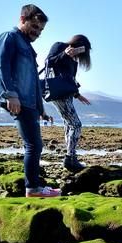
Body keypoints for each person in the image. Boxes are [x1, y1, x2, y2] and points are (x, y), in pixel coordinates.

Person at [0, 4, 60, 198]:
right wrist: (11, 95)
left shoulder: (28, 47)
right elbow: (1, 66)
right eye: (35, 27)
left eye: (41, 29)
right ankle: (33, 189)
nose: (38, 32)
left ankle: (35, 186)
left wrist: (42, 109)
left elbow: (34, 81)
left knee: (35, 144)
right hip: (18, 100)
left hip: (30, 103)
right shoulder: (10, 38)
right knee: (33, 145)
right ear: (22, 19)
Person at [45, 35, 92, 172]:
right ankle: (70, 157)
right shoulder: (59, 46)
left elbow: (68, 79)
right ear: (78, 44)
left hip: (66, 94)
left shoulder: (73, 60)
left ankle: (71, 157)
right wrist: (64, 54)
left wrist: (77, 95)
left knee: (68, 124)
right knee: (76, 124)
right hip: (58, 94)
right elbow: (48, 62)